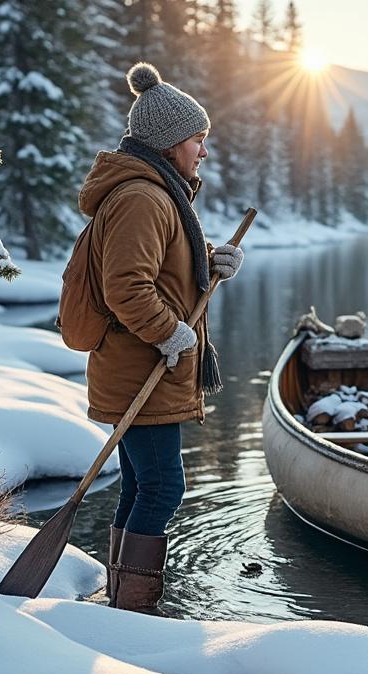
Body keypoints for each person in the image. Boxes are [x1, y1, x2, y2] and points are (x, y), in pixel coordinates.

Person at [74, 62, 243, 614]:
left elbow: (159, 265)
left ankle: (123, 597)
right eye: (199, 138)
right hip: (140, 365)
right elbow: (126, 285)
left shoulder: (158, 193)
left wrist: (208, 261)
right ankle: (134, 608)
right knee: (164, 488)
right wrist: (171, 333)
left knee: (142, 486)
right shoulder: (143, 197)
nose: (203, 150)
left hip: (143, 365)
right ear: (171, 142)